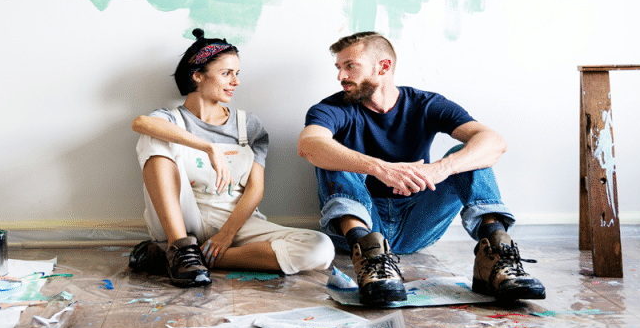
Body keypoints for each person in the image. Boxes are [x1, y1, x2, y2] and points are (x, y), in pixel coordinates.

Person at [297, 31, 545, 305]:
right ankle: (370, 256)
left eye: (350, 66)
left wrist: (441, 169)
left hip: (417, 221)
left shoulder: (425, 104)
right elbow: (309, 144)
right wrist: (379, 168)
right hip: (362, 222)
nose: (341, 76)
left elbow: (494, 142)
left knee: (467, 154)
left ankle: (496, 255)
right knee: (332, 152)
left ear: (383, 66)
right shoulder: (334, 108)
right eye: (338, 68)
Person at [128, 29, 335, 287]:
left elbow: (255, 189)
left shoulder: (248, 125)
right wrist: (208, 147)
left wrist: (226, 235)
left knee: (321, 248)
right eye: (227, 73)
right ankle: (180, 247)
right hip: (182, 216)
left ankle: (176, 257)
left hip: (234, 218)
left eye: (237, 74)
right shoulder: (172, 119)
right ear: (198, 75)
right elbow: (141, 123)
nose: (235, 81)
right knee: (153, 135)